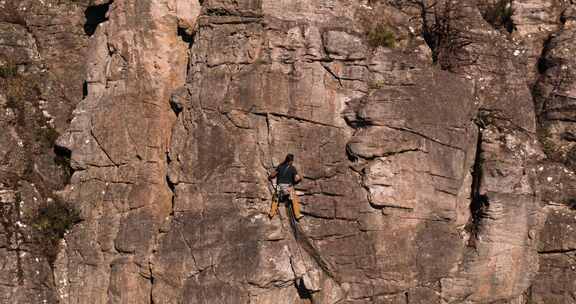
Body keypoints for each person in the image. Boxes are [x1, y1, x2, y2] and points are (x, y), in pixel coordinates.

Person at [268, 154, 303, 220]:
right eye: (292, 161)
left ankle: (271, 213)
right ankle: (297, 215)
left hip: (279, 187)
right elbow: (296, 179)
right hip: (288, 188)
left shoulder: (280, 166)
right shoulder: (292, 168)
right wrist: (300, 178)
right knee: (294, 199)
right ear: (290, 161)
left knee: (275, 198)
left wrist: (269, 176)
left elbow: (273, 175)